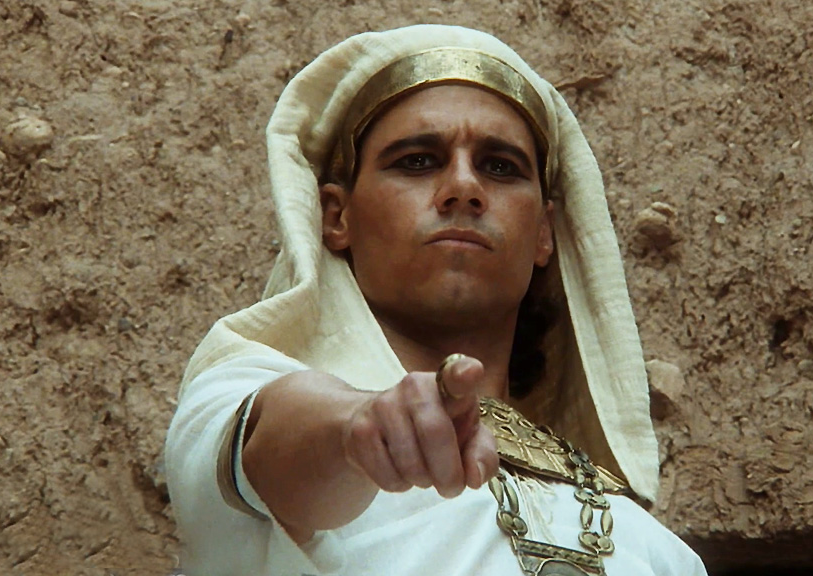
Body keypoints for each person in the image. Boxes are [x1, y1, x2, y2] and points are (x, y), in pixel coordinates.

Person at [165, 24, 707, 576]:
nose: (464, 188)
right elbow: (274, 450)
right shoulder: (235, 397)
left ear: (545, 233)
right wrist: (356, 425)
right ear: (336, 216)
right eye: (418, 161)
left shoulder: (658, 552)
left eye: (501, 167)